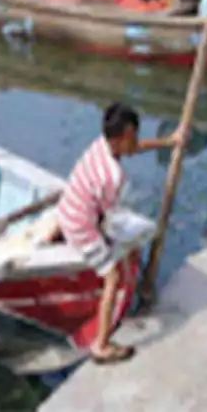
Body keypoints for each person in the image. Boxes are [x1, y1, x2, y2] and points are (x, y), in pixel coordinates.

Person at [54, 103, 186, 364]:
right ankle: (101, 346)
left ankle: (55, 234)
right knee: (112, 278)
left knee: (114, 234)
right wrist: (122, 250)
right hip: (81, 227)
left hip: (66, 211)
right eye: (133, 137)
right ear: (122, 136)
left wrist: (169, 141)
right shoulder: (113, 177)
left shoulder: (100, 146)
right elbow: (109, 223)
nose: (135, 142)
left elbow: (134, 150)